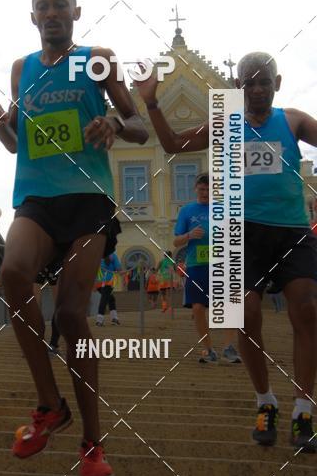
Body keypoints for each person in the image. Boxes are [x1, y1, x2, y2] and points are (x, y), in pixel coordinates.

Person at [0, 0, 148, 476]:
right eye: (42, 7)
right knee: (13, 272)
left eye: (59, 5)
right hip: (36, 199)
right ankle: (49, 404)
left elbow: (137, 123)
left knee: (74, 315)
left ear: (76, 12)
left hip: (87, 201)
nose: (51, 13)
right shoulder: (21, 71)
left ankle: (92, 443)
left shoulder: (98, 58)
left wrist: (115, 126)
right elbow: (17, 144)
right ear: (32, 18)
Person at [135, 53, 317, 451]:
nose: (255, 89)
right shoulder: (224, 125)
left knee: (306, 310)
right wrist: (151, 102)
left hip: (291, 231)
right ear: (237, 87)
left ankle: (303, 408)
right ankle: (265, 401)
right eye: (247, 83)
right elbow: (171, 144)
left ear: (277, 83)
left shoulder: (293, 121)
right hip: (242, 232)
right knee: (246, 313)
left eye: (263, 81)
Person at [174, 173, 241, 363]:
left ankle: (228, 348)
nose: (205, 193)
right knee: (197, 308)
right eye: (202, 189)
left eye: (209, 189)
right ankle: (208, 349)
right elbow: (176, 240)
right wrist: (189, 235)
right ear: (196, 189)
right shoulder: (187, 211)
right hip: (197, 264)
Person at [95, 252, 121, 326]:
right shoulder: (113, 255)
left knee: (111, 299)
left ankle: (114, 318)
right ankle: (99, 320)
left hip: (98, 283)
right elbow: (118, 268)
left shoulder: (98, 254)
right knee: (104, 299)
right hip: (108, 282)